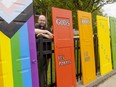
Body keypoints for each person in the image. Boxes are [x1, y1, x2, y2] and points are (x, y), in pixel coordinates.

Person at [35, 15, 53, 87]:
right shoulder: (36, 27)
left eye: (43, 20)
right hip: (39, 53)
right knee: (39, 70)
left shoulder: (48, 28)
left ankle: (44, 83)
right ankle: (39, 84)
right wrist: (46, 32)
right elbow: (34, 31)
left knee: (45, 70)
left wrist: (42, 34)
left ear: (45, 21)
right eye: (41, 20)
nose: (42, 22)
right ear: (38, 20)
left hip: (47, 53)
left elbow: (51, 36)